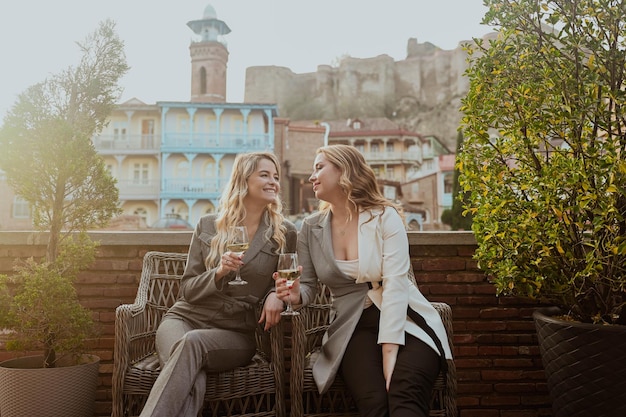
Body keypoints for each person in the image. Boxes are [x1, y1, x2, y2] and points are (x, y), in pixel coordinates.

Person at [275, 144, 452, 417]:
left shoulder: (384, 216)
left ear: (344, 170)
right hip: (353, 327)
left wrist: (389, 351)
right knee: (374, 403)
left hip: (406, 320)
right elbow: (307, 286)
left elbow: (396, 283)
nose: (311, 176)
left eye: (319, 167)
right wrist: (294, 295)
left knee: (404, 393)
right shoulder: (310, 227)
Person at [140, 152, 297, 417]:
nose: (273, 182)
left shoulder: (285, 232)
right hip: (184, 319)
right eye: (264, 175)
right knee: (191, 371)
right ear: (243, 179)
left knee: (190, 346)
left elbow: (287, 278)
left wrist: (276, 295)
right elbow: (187, 289)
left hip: (235, 332)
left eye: (276, 177)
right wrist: (219, 271)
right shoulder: (208, 225)